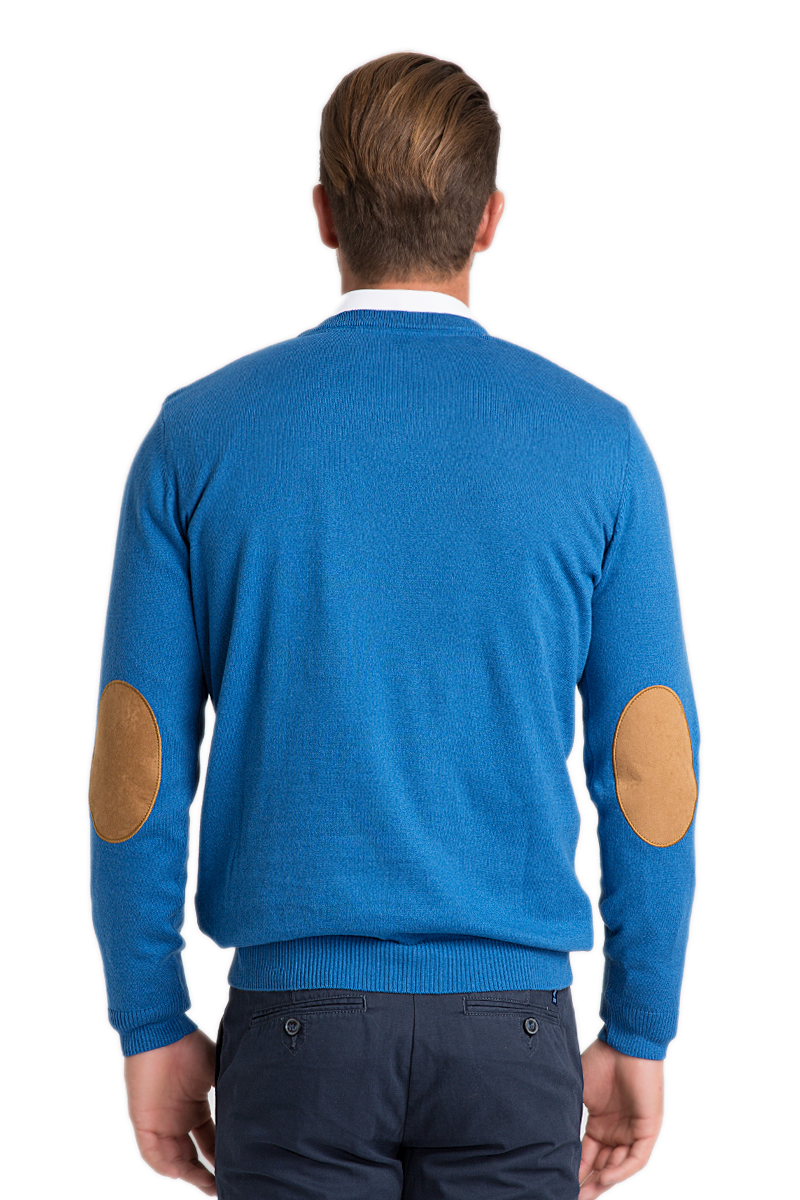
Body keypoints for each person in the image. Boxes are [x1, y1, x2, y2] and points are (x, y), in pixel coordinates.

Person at [88, 50, 699, 1200]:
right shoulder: (597, 445)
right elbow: (650, 768)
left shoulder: (196, 439)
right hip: (512, 1038)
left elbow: (139, 763)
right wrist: (640, 1024)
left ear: (324, 214)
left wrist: (149, 1019)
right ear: (489, 219)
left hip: (293, 1039)